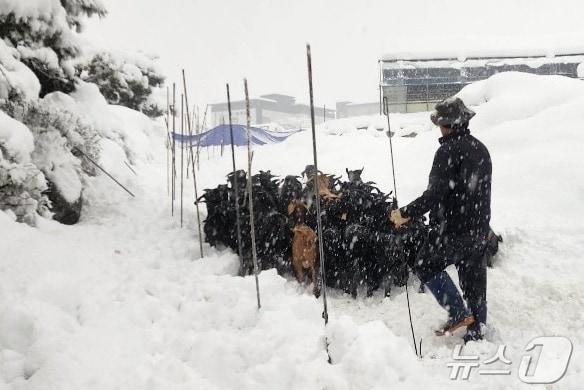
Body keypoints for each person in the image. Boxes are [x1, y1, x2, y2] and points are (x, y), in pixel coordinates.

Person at [390, 97, 492, 342]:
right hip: (479, 229)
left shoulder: (447, 150)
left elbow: (434, 195)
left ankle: (458, 312)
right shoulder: (481, 148)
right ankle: (477, 328)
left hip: (452, 229)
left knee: (425, 263)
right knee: (473, 279)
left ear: (447, 125)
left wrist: (404, 214)